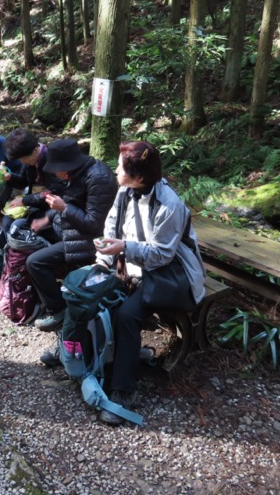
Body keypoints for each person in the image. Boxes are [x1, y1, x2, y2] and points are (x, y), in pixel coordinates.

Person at [94, 141, 207, 425]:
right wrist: (102, 261)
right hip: (130, 266)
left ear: (139, 177)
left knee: (127, 315)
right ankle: (82, 359)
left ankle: (122, 391)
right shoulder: (125, 191)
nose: (115, 170)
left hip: (169, 274)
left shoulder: (169, 204)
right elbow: (111, 226)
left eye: (120, 167)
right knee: (90, 293)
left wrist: (123, 247)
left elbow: (161, 255)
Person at [26, 138, 117, 332]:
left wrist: (64, 208)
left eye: (55, 169)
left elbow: (94, 224)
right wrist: (48, 218)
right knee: (28, 237)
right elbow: (69, 204)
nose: (53, 173)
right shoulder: (76, 173)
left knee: (35, 262)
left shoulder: (97, 178)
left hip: (91, 240)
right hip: (70, 228)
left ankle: (57, 310)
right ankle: (50, 297)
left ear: (66, 166)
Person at [0, 128, 66, 242]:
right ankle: (12, 255)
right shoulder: (30, 161)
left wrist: (24, 200)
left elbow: (54, 192)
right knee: (7, 221)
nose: (23, 162)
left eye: (24, 158)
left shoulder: (51, 160)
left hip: (53, 207)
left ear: (35, 149)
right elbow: (23, 182)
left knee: (17, 225)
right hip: (35, 204)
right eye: (20, 159)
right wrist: (10, 177)